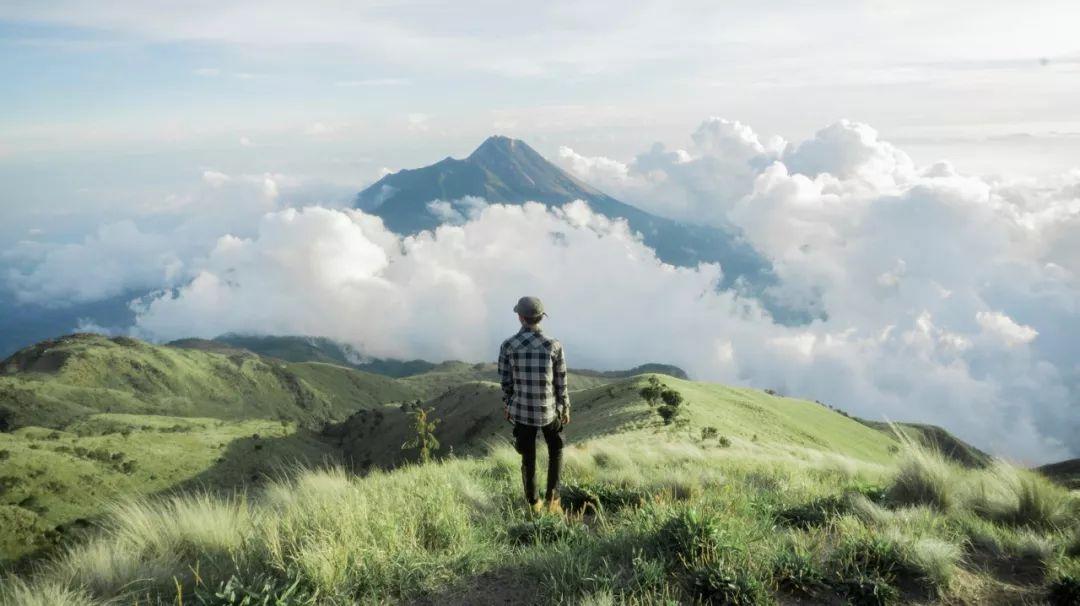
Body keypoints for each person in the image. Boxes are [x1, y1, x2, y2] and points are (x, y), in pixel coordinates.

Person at [498, 296, 570, 514]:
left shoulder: (508, 345)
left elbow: (505, 381)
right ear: (540, 318)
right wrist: (565, 406)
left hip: (522, 411)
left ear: (520, 318)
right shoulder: (553, 345)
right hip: (549, 411)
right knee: (556, 449)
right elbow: (561, 380)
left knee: (528, 457)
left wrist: (509, 403)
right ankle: (553, 500)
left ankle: (533, 503)